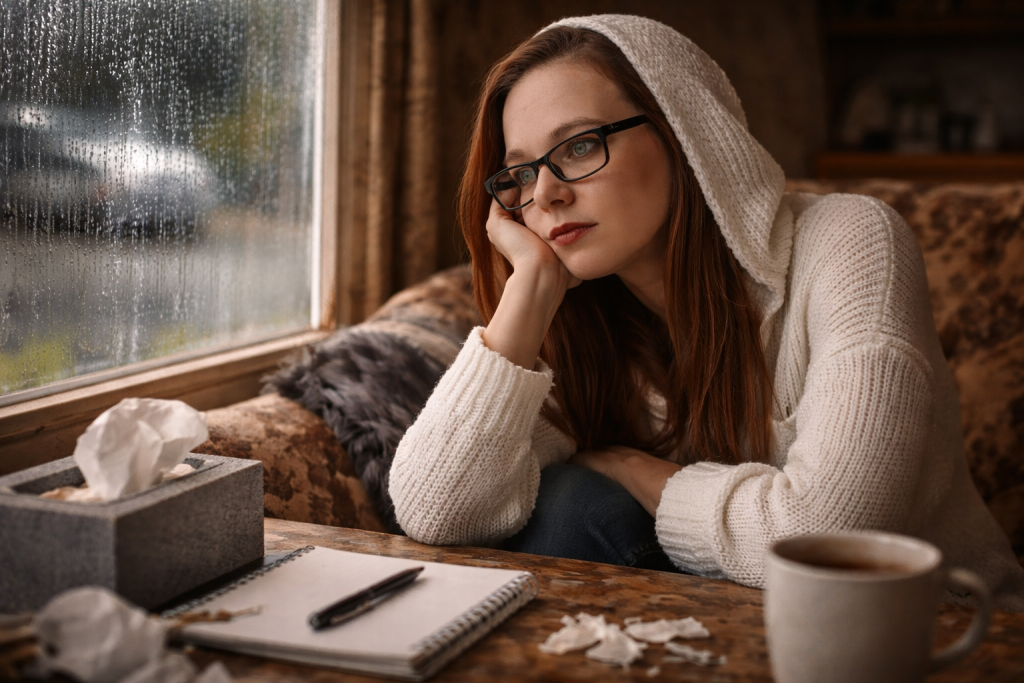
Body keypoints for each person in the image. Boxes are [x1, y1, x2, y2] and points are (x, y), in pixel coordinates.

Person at [388, 14, 1024, 609]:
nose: (545, 193)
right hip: (712, 619)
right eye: (519, 174)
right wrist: (528, 294)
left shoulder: (852, 240)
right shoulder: (572, 308)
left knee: (578, 499)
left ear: (681, 131)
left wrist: (635, 469)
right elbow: (437, 511)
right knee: (567, 506)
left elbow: (828, 536)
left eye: (579, 146)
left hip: (923, 630)